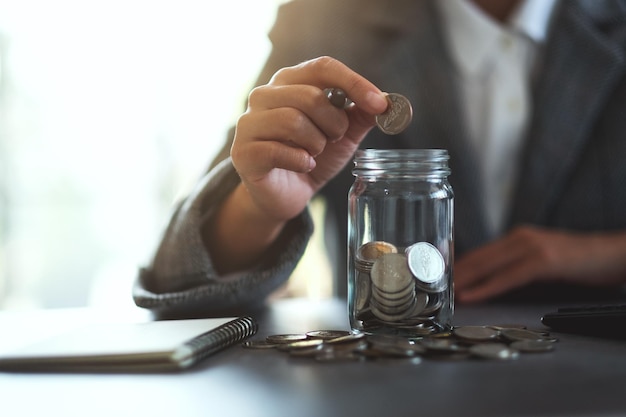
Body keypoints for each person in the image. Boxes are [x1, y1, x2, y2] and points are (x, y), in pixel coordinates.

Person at [133, 0, 626, 316]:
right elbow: (177, 275)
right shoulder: (327, 20)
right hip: (383, 385)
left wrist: (602, 255)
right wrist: (257, 209)